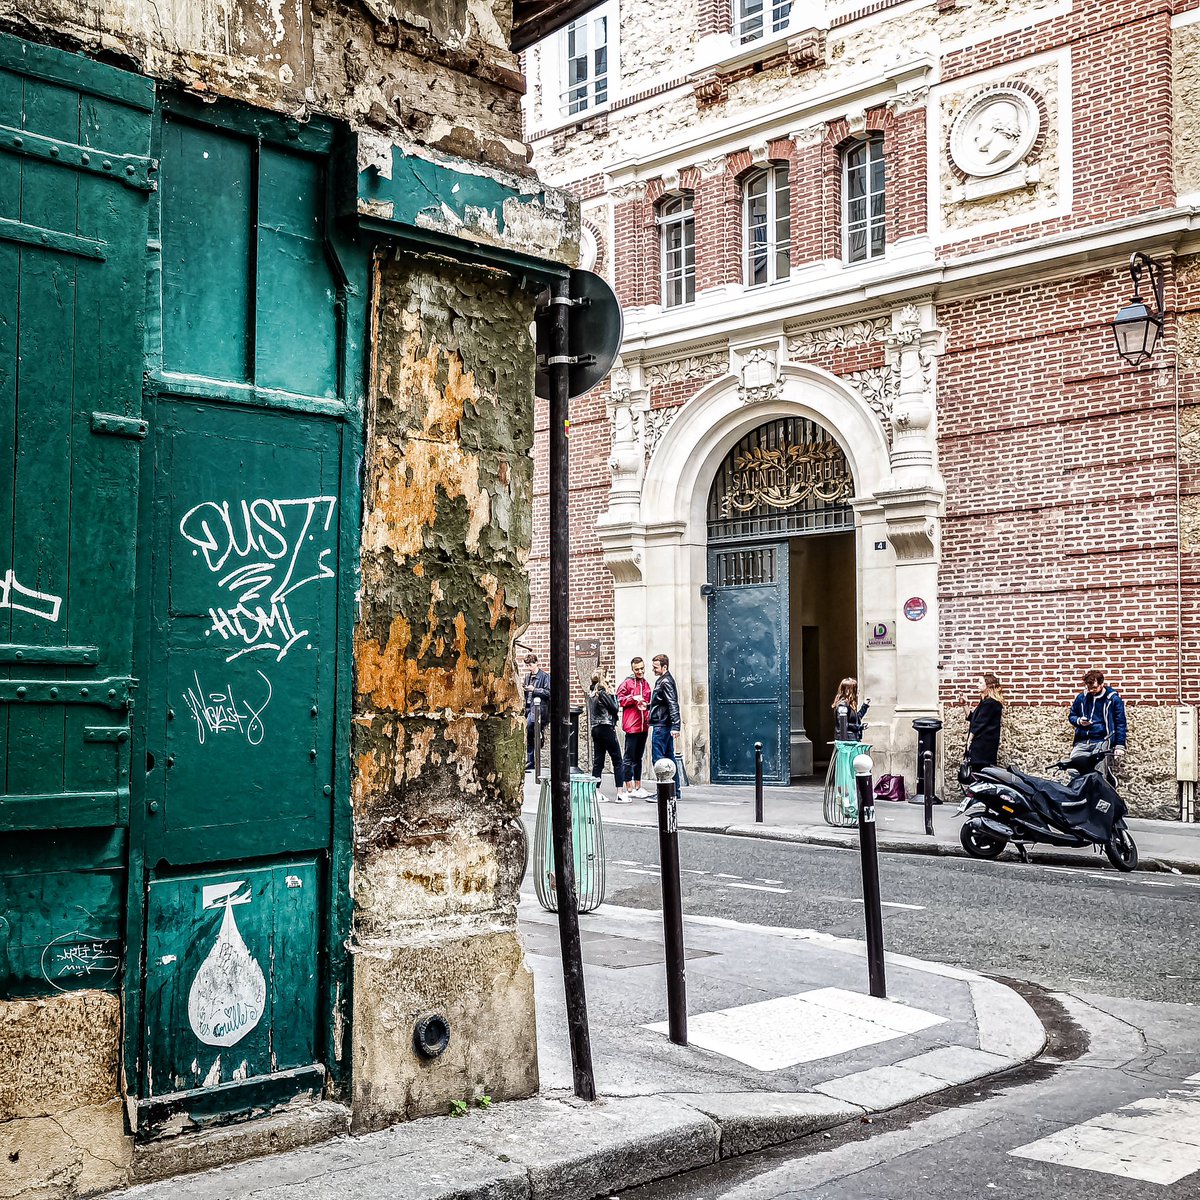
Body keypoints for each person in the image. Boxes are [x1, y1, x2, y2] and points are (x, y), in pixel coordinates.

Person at [1069, 669, 1127, 773]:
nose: (1091, 690)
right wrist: (1079, 721)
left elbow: (1120, 723)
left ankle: (1101, 786)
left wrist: (1119, 745)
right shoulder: (1081, 698)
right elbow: (1072, 715)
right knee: (1073, 769)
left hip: (1102, 740)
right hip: (1082, 741)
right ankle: (1080, 788)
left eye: (1094, 687)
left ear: (1102, 684)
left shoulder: (1113, 700)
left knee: (1098, 771)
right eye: (1088, 687)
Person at [588, 671, 628, 801]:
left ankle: (596, 791)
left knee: (598, 761)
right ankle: (620, 793)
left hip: (595, 728)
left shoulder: (592, 694)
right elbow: (615, 708)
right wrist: (612, 694)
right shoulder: (603, 693)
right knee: (617, 760)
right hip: (606, 727)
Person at [616, 656, 652, 799]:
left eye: (642, 668)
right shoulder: (627, 683)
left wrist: (646, 705)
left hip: (644, 725)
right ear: (632, 669)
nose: (640, 671)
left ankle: (638, 786)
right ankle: (629, 787)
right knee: (629, 757)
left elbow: (649, 701)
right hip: (632, 726)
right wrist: (633, 698)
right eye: (637, 669)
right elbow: (618, 699)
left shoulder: (646, 684)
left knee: (639, 757)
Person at [648, 653, 682, 801]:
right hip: (665, 724)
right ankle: (674, 791)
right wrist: (649, 706)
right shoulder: (664, 680)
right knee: (669, 758)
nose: (653, 670)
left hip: (662, 726)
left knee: (659, 759)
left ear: (664, 667)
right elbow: (662, 703)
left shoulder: (665, 682)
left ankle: (663, 792)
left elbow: (672, 703)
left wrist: (676, 725)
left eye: (655, 667)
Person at [966, 672, 1005, 770]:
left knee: (980, 774)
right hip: (982, 747)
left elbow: (978, 724)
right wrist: (964, 704)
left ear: (988, 685)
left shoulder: (991, 703)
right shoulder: (985, 702)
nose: (977, 685)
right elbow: (972, 718)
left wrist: (969, 741)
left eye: (980, 683)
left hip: (983, 747)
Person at [522, 653, 550, 771]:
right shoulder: (527, 677)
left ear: (536, 663)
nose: (529, 668)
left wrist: (534, 690)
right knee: (529, 732)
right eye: (527, 665)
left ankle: (531, 758)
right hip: (528, 707)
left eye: (531, 665)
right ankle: (530, 760)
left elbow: (548, 693)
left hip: (538, 709)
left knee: (530, 726)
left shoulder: (544, 676)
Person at [831, 678, 869, 742]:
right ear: (849, 691)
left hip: (853, 738)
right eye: (855, 689)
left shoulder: (850, 705)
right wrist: (860, 727)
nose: (858, 691)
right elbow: (844, 724)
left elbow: (857, 718)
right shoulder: (842, 705)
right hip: (847, 740)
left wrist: (864, 706)